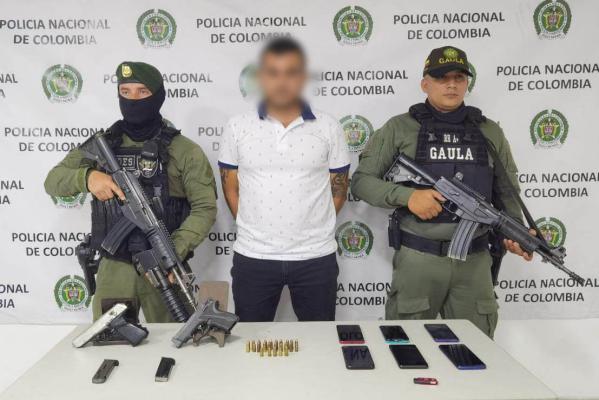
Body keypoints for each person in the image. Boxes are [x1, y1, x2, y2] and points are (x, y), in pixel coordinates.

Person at [351, 46, 532, 338]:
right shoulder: (400, 128)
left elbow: (507, 194)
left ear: (467, 83)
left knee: (476, 350)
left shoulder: (489, 131)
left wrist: (518, 234)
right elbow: (361, 182)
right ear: (425, 84)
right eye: (441, 77)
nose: (451, 85)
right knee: (406, 348)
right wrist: (409, 197)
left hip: (474, 262)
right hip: (419, 259)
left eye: (459, 77)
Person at [44, 61, 217, 322]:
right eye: (125, 92)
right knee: (111, 338)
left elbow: (205, 208)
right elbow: (53, 181)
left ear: (158, 96)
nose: (133, 100)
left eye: (142, 92)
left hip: (164, 265)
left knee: (175, 338)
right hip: (115, 266)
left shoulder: (184, 150)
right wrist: (87, 177)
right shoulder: (103, 145)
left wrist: (173, 252)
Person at [218, 38, 350, 322]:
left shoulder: (328, 126)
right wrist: (256, 229)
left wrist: (312, 228)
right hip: (254, 256)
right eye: (273, 73)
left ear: (302, 78)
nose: (282, 82)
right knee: (251, 340)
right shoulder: (237, 126)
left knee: (319, 340)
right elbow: (230, 187)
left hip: (316, 258)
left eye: (291, 72)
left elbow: (339, 189)